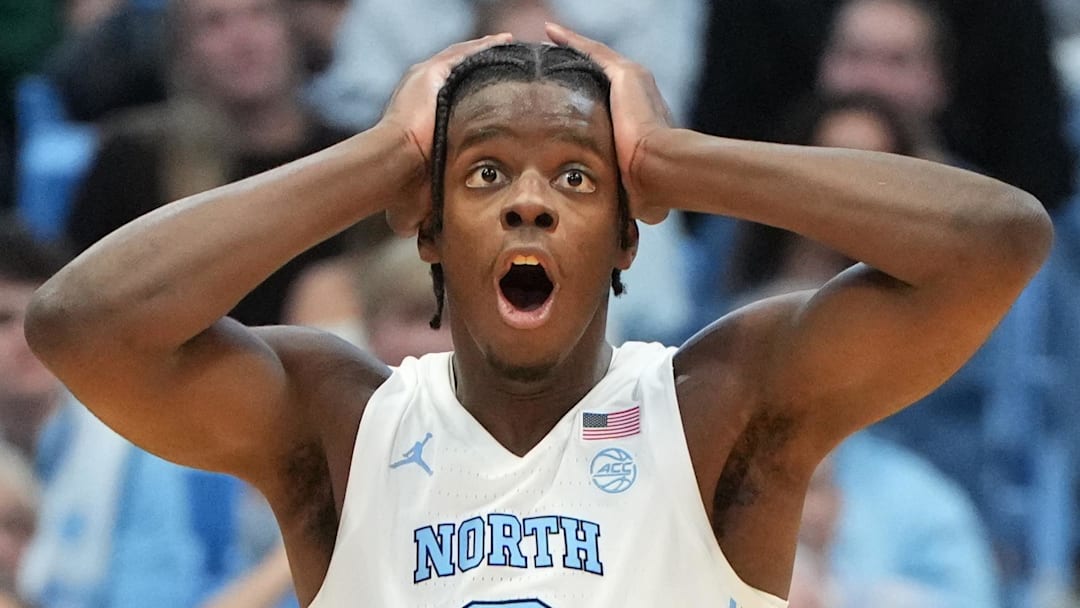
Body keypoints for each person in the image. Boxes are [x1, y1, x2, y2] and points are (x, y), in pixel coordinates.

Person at [24, 25, 1051, 607]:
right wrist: (380, 159)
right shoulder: (340, 422)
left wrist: (675, 159)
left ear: (626, 238)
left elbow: (998, 242)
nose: (529, 202)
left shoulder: (716, 406)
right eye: (483, 173)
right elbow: (79, 324)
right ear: (429, 234)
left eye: (576, 176)